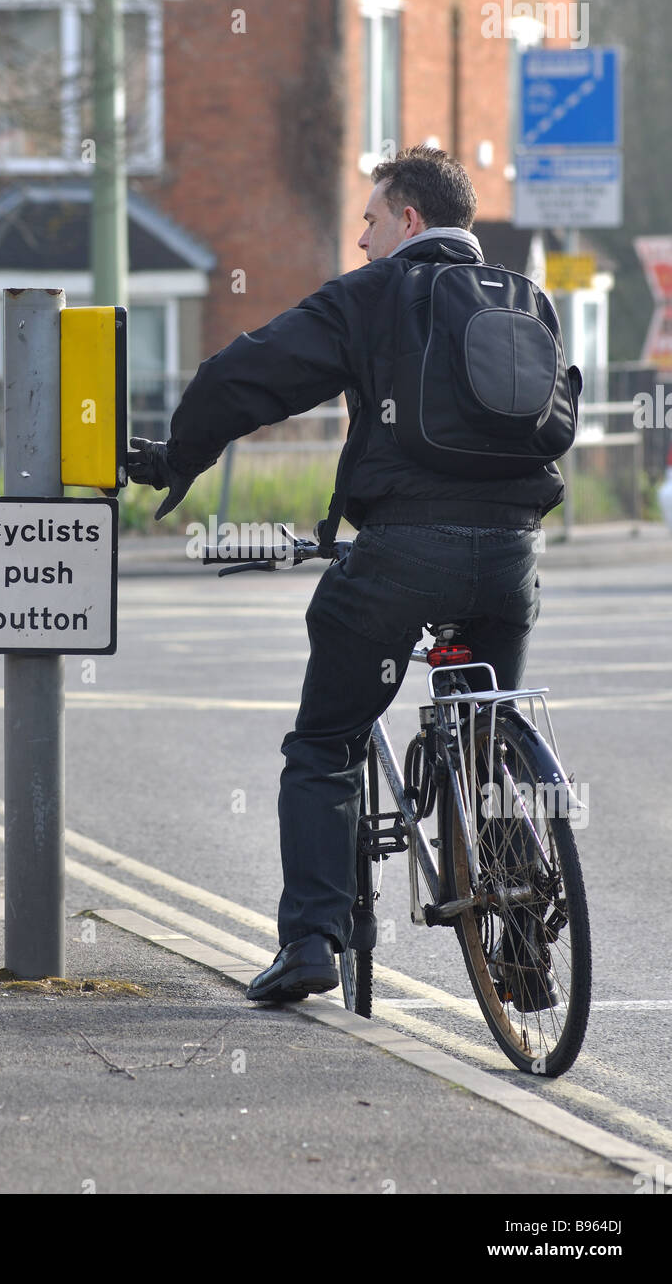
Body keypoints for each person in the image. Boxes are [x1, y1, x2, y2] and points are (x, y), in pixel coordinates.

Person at [127, 145, 563, 1004]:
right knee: (486, 739)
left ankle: (311, 944)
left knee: (323, 744)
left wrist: (178, 457)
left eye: (368, 220)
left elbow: (242, 374)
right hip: (513, 555)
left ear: (406, 220)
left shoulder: (374, 294)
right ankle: (521, 952)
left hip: (400, 552)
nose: (359, 240)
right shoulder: (528, 299)